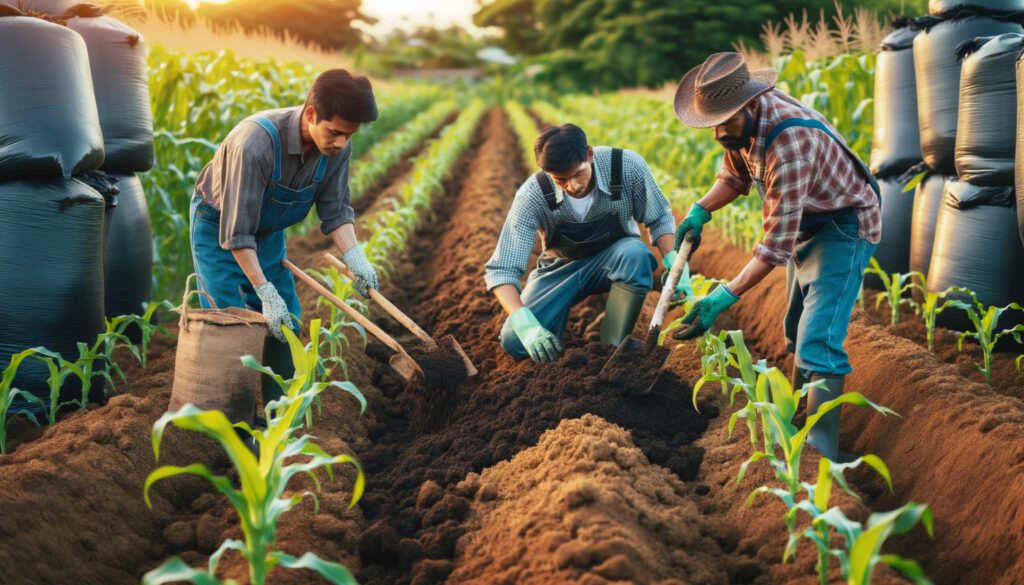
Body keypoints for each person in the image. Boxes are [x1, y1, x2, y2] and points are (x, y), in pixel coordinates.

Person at [671, 52, 881, 460]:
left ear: (751, 103)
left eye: (725, 122)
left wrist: (724, 295)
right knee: (795, 332)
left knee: (818, 341)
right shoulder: (741, 124)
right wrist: (701, 209)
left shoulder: (789, 143)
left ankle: (820, 457)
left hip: (845, 226)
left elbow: (774, 248)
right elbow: (735, 174)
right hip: (809, 222)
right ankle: (799, 417)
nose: (718, 133)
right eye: (712, 123)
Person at [189, 69, 380, 403]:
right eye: (335, 132)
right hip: (221, 229)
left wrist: (355, 257)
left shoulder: (336, 148)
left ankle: (282, 415)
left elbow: (335, 210)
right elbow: (236, 233)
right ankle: (233, 423)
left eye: (349, 136)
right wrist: (264, 291)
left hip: (268, 231)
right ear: (310, 114)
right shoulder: (255, 145)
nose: (342, 143)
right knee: (233, 326)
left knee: (287, 322)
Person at [485, 124, 683, 363]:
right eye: (561, 180)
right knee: (514, 342)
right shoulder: (533, 195)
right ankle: (555, 357)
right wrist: (527, 327)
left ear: (589, 155)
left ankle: (613, 350)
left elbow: (659, 216)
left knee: (636, 254)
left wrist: (675, 264)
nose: (573, 186)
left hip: (617, 259)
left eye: (578, 173)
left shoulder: (625, 167)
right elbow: (502, 270)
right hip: (561, 269)